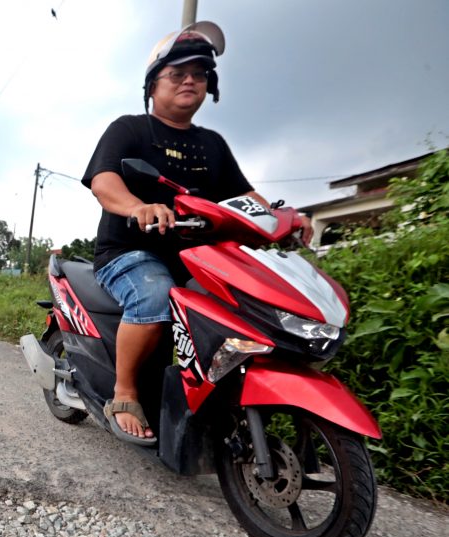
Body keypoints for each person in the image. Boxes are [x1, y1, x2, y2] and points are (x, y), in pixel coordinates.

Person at [81, 21, 312, 445]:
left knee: (241, 309)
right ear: (153, 86)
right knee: (153, 295)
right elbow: (104, 182)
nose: (190, 80)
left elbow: (246, 197)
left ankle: (216, 400)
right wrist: (139, 207)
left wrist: (286, 219)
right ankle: (125, 392)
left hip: (198, 258)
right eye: (178, 74)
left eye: (200, 74)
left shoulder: (212, 144)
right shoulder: (131, 128)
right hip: (129, 253)